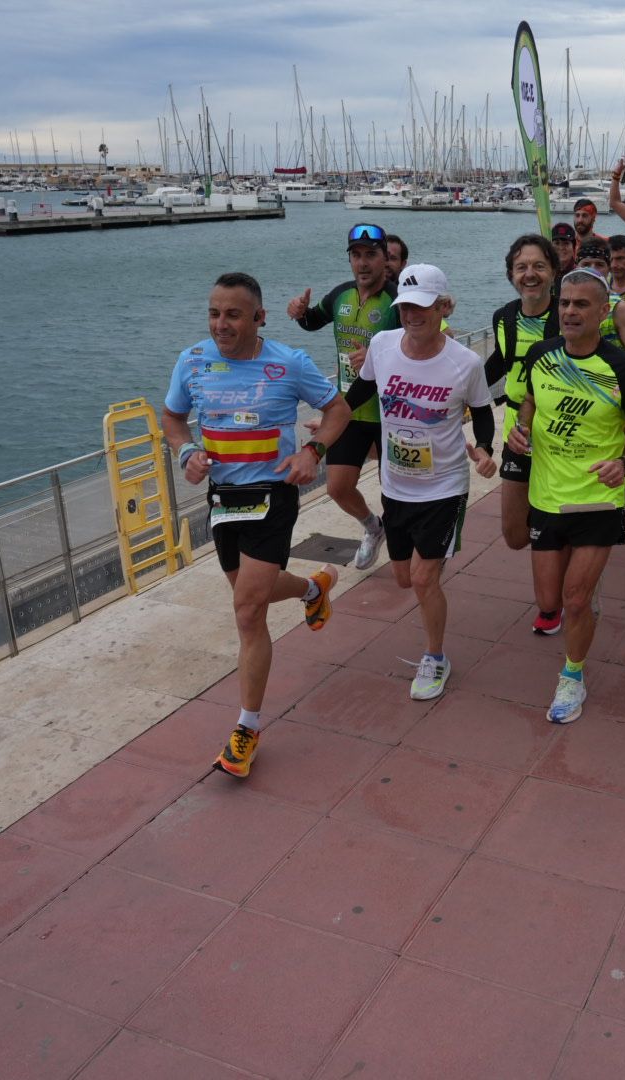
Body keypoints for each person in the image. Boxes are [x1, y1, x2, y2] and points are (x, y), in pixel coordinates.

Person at [163, 273, 353, 778]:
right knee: (256, 593)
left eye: (232, 314)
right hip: (224, 497)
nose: (220, 324)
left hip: (274, 494)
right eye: (213, 313)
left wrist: (313, 451)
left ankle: (246, 728)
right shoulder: (192, 361)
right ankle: (313, 588)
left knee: (247, 611)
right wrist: (186, 452)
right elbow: (172, 418)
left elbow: (339, 409)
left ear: (258, 318)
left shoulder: (289, 364)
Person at [506, 269, 625, 724]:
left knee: (573, 599)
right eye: (565, 303)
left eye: (581, 304)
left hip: (598, 499)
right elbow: (530, 400)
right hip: (547, 494)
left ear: (603, 311)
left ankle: (572, 674)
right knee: (549, 600)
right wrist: (521, 428)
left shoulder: (624, 369)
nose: (570, 311)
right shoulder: (540, 354)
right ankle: (582, 602)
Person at [344, 265, 496, 700]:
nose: (412, 314)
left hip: (444, 487)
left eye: (422, 306)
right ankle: (425, 582)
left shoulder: (464, 363)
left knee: (425, 579)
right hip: (395, 484)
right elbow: (362, 391)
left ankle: (435, 657)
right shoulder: (382, 344)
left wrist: (484, 447)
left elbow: (482, 409)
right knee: (404, 579)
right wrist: (329, 420)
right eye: (405, 306)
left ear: (444, 307)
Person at [288, 222, 398, 569]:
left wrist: (382, 356)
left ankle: (408, 544)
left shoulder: (397, 301)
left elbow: (421, 345)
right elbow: (314, 321)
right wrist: (300, 313)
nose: (363, 263)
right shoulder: (340, 295)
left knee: (394, 491)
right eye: (356, 256)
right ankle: (372, 526)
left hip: (388, 413)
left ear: (385, 259)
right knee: (337, 487)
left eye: (370, 255)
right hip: (349, 411)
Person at [486, 234, 561, 583]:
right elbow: (500, 362)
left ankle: (561, 584)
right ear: (511, 275)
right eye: (521, 267)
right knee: (515, 534)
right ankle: (552, 545)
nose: (529, 274)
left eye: (538, 266)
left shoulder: (567, 316)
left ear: (554, 272)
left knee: (556, 519)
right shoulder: (503, 317)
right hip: (517, 430)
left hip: (561, 430)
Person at [574, 239, 625, 350]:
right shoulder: (566, 303)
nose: (592, 270)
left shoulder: (619, 308)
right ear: (577, 267)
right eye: (586, 264)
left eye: (599, 264)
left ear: (608, 269)